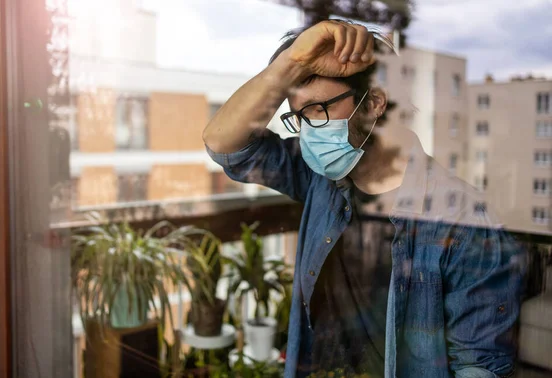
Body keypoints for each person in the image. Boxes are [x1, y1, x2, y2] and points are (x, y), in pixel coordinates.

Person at [203, 20, 525, 378]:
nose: (308, 129)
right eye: (299, 116)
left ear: (373, 103)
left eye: (317, 110)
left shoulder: (465, 220)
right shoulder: (323, 178)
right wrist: (291, 63)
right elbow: (224, 146)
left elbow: (479, 368)